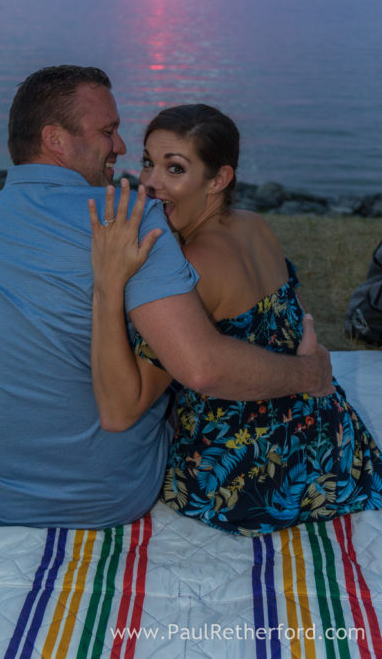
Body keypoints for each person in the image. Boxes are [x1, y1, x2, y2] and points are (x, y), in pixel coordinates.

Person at [0, 67, 332, 529]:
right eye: (108, 131)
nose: (118, 147)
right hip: (112, 493)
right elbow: (201, 368)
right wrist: (308, 372)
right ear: (55, 140)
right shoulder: (136, 220)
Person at [88, 103, 382, 536]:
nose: (149, 183)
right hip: (332, 450)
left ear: (219, 179)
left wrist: (108, 284)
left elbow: (122, 408)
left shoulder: (188, 267)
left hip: (248, 479)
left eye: (175, 169)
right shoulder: (255, 225)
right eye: (148, 162)